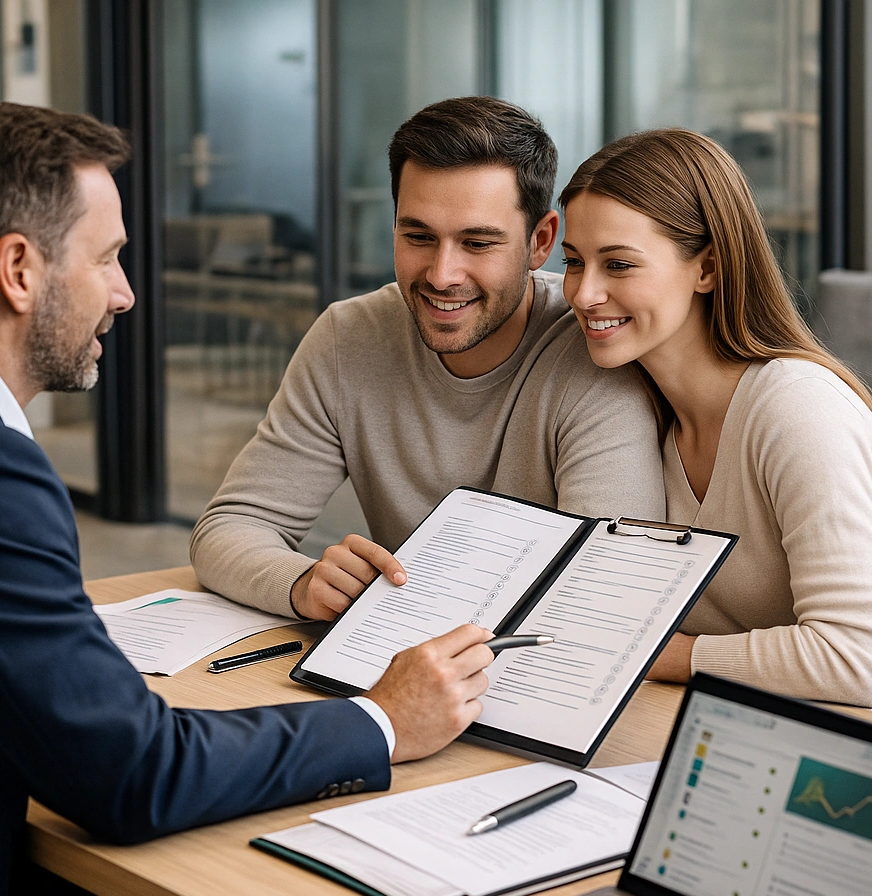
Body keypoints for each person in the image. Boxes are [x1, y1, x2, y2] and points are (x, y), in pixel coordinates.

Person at [0, 102, 497, 896]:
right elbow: (134, 777)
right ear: (19, 270)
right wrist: (383, 719)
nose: (125, 294)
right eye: (108, 258)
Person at [191, 96, 665, 623]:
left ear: (540, 242)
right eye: (418, 237)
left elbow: (604, 585)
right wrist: (303, 584)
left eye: (477, 243)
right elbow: (230, 527)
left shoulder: (595, 349)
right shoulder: (349, 338)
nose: (442, 275)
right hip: (394, 652)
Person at [558, 127, 872, 706]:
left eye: (619, 264)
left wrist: (661, 655)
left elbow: (859, 656)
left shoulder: (798, 409)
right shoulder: (633, 411)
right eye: (574, 262)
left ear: (707, 269)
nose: (583, 294)